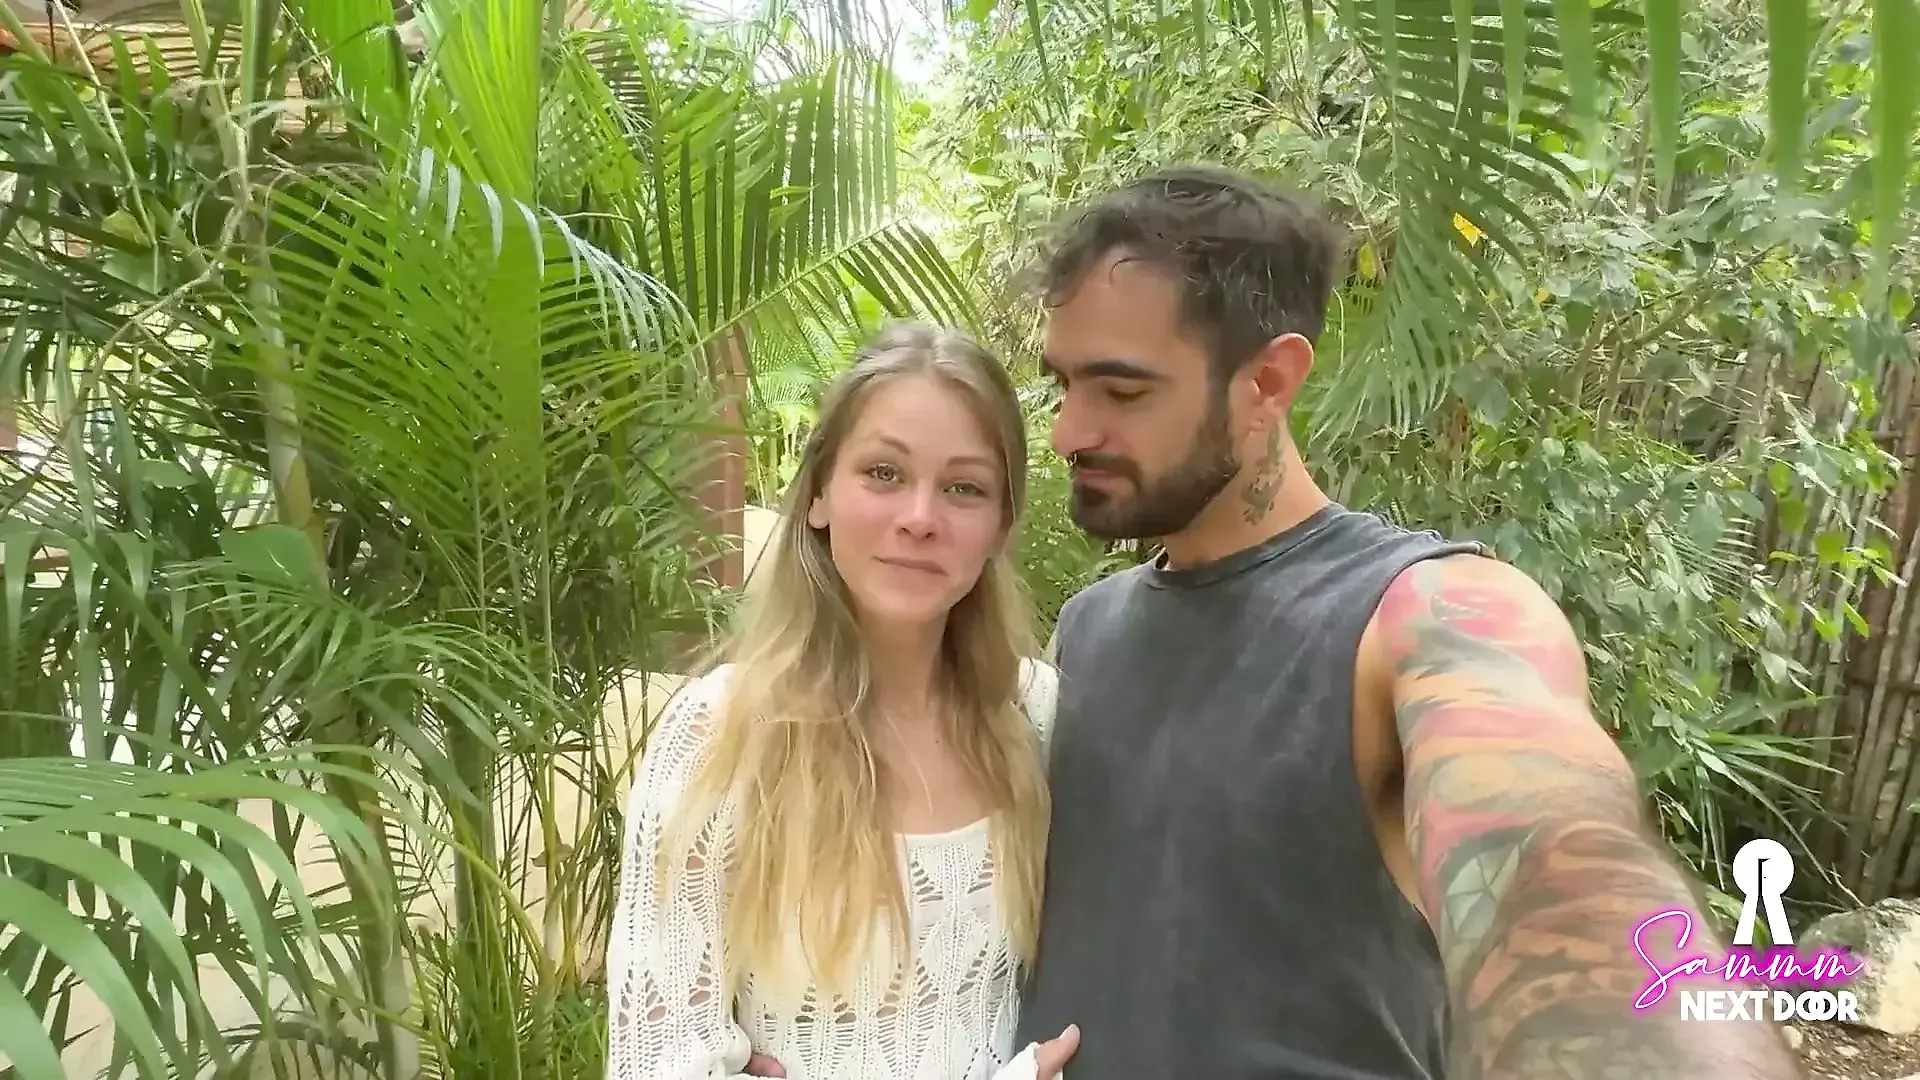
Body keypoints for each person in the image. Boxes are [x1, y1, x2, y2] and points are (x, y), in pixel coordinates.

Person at [1011, 166, 1807, 1079]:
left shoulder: (1422, 614)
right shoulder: (1088, 629)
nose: (1068, 432)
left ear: (1268, 380)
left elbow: (1555, 859)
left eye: (1121, 392)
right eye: (1064, 385)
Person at [604, 322, 1082, 1080]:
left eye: (964, 487)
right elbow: (657, 1063)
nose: (919, 517)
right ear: (819, 494)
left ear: (1001, 524)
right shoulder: (719, 737)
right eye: (884, 473)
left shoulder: (1038, 720)